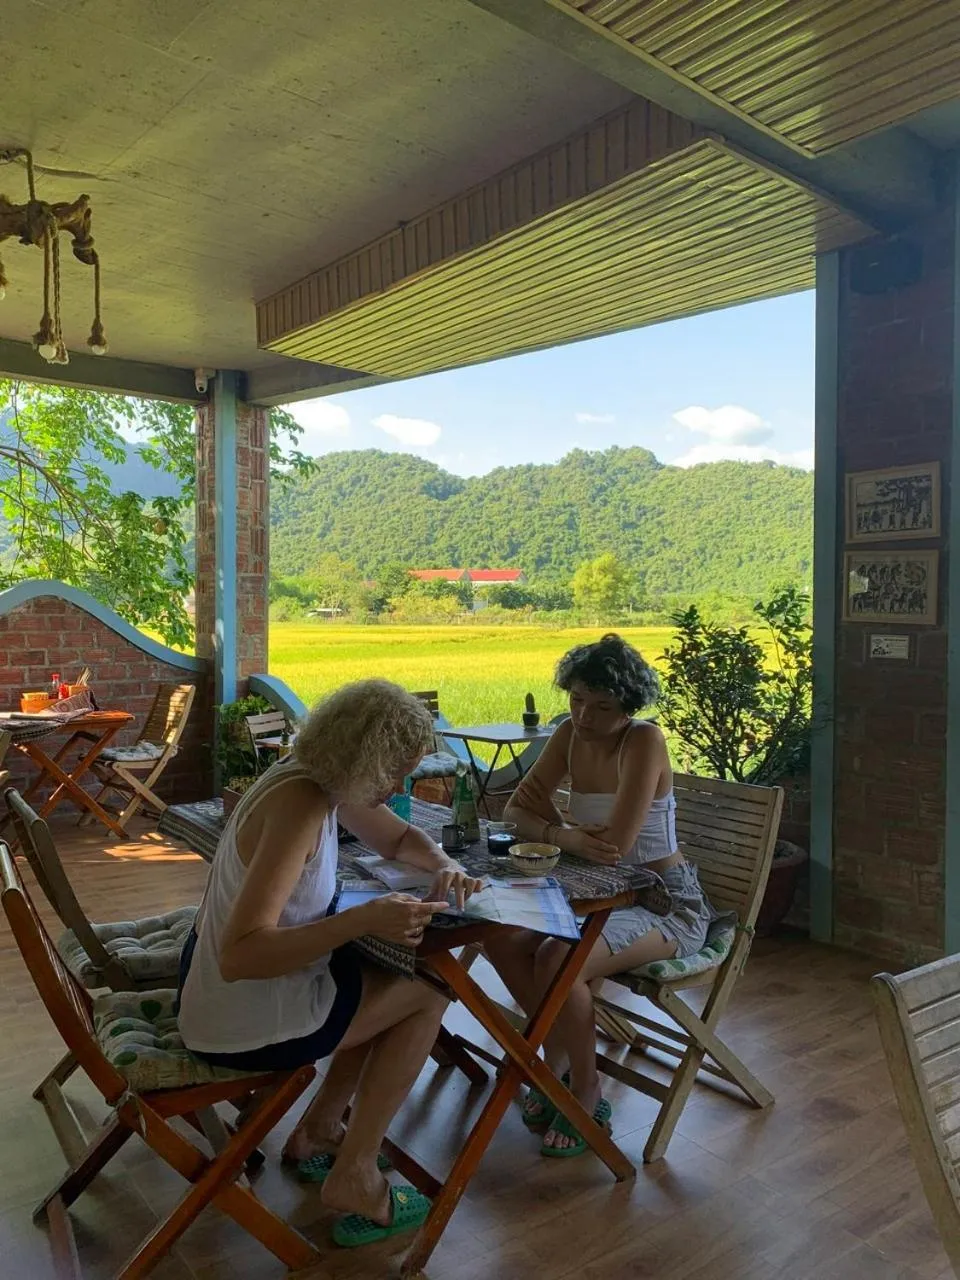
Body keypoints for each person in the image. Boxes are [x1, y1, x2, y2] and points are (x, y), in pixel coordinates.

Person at [177, 679, 483, 1247]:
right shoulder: (300, 805)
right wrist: (361, 921)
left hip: (232, 995)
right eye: (395, 774)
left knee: (387, 978)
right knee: (431, 989)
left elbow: (399, 839)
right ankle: (357, 1173)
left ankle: (320, 1130)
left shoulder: (312, 776)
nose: (397, 787)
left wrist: (443, 864)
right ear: (365, 760)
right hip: (239, 1016)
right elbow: (242, 954)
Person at [485, 634, 717, 1158]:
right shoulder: (568, 734)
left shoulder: (643, 741)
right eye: (577, 700)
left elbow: (616, 846)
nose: (585, 715)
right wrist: (563, 836)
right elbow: (514, 810)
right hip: (589, 895)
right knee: (498, 936)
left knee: (558, 956)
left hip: (662, 900)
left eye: (602, 706)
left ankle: (586, 1090)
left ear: (628, 708)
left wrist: (553, 828)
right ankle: (554, 1060)